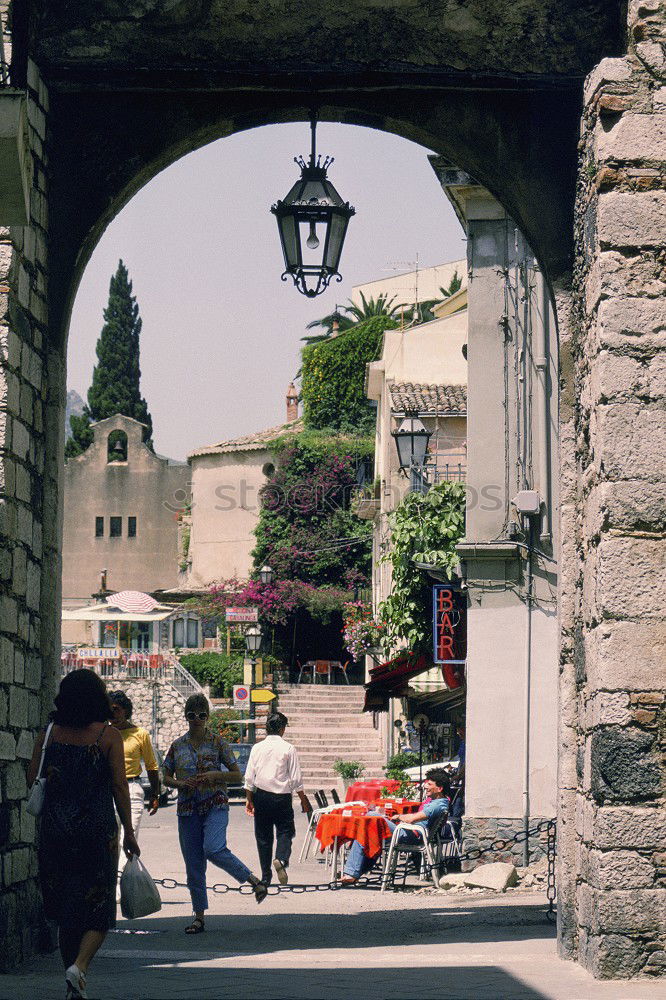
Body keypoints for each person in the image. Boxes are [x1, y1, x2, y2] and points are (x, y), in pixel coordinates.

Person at [28, 669, 140, 1000]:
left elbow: (31, 778)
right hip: (97, 830)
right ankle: (80, 966)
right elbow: (120, 786)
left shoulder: (48, 734)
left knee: (66, 909)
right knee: (99, 906)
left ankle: (71, 985)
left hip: (55, 830)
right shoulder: (108, 736)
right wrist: (130, 832)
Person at [163, 693, 267, 934]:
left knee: (213, 848)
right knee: (193, 865)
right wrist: (180, 784)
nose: (196, 719)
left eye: (201, 715)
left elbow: (237, 775)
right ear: (186, 717)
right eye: (192, 715)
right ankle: (198, 917)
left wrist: (215, 775)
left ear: (207, 717)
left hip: (215, 803)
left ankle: (253, 881)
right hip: (188, 808)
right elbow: (165, 775)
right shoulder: (177, 745)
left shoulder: (218, 742)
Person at [340, 768, 451, 885]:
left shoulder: (437, 805)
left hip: (411, 835)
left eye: (429, 784)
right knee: (368, 831)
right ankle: (352, 873)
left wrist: (398, 816)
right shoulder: (437, 802)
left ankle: (353, 872)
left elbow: (412, 818)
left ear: (439, 788)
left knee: (371, 816)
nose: (425, 786)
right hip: (411, 832)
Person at [244, 712, 311, 886]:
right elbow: (296, 779)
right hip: (282, 798)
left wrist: (249, 799)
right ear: (282, 728)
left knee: (263, 837)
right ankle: (281, 859)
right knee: (286, 831)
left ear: (267, 728)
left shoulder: (257, 748)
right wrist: (303, 799)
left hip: (262, 796)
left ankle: (266, 876)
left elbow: (250, 777)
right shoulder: (288, 748)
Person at [108, 690, 159, 889]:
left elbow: (152, 766)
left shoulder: (140, 734)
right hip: (109, 789)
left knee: (128, 838)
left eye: (116, 710)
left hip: (132, 788)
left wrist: (154, 794)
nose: (113, 715)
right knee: (111, 838)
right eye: (109, 710)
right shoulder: (105, 733)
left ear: (126, 710)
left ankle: (121, 884)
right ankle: (112, 883)